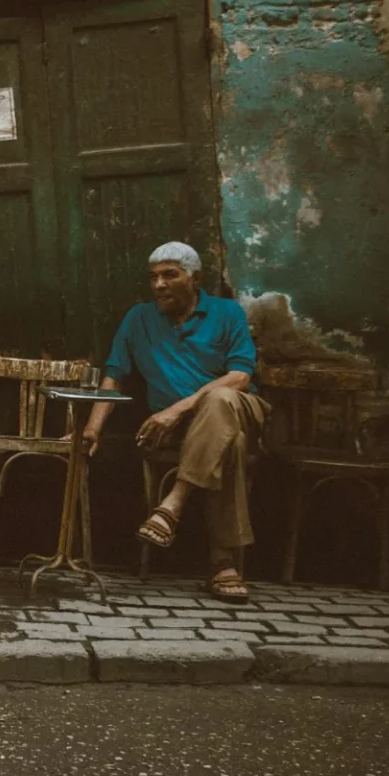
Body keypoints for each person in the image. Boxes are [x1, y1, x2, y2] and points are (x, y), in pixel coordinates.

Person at [81, 241, 268, 603]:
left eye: (170, 275)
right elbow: (114, 375)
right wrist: (93, 428)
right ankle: (222, 564)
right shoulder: (139, 318)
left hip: (240, 409)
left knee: (222, 399)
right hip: (189, 431)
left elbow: (241, 377)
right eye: (153, 278)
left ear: (194, 278)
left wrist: (177, 408)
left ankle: (172, 506)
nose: (159, 285)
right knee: (231, 443)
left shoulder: (226, 313)